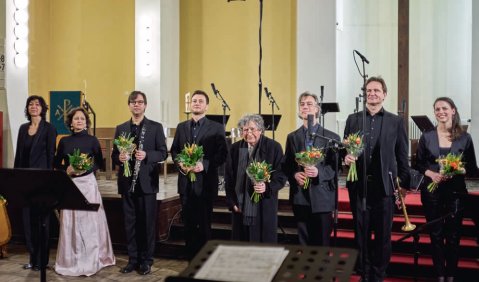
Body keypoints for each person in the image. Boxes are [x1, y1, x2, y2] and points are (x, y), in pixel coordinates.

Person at [343, 76, 410, 282]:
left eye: (376, 90)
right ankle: (364, 273)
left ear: (384, 94)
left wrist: (403, 187)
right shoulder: (353, 119)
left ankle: (378, 275)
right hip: (359, 187)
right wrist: (345, 158)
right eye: (368, 90)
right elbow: (344, 151)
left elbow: (402, 157)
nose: (372, 93)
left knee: (382, 238)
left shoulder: (395, 121)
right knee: (361, 236)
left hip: (384, 188)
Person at [415, 97, 478, 282]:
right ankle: (439, 276)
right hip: (431, 193)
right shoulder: (427, 136)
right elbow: (418, 165)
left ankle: (451, 275)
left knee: (453, 236)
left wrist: (457, 169)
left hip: (456, 193)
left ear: (453, 111)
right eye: (437, 109)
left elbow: (472, 169)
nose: (441, 112)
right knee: (435, 235)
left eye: (444, 108)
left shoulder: (465, 137)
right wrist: (432, 174)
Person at [53, 107, 115, 276]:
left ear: (86, 122)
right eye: (76, 119)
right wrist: (68, 169)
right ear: (71, 123)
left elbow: (99, 164)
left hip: (88, 184)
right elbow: (57, 163)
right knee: (70, 223)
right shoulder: (64, 141)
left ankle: (92, 258)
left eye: (82, 119)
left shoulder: (92, 140)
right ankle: (71, 259)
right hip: (71, 184)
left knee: (89, 223)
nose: (79, 121)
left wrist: (86, 169)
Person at [112, 91, 167, 275]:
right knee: (130, 224)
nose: (137, 105)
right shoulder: (121, 128)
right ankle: (132, 259)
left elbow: (163, 153)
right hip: (127, 183)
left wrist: (147, 155)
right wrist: (119, 157)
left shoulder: (155, 127)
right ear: (129, 105)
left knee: (147, 224)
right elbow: (113, 156)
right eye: (133, 102)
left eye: (140, 102)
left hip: (147, 183)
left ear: (145, 105)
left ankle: (146, 260)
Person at [170, 90, 227, 258]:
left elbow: (222, 154)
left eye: (200, 101)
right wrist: (180, 162)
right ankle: (190, 259)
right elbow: (174, 150)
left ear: (206, 106)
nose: (196, 103)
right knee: (188, 224)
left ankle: (204, 259)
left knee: (204, 224)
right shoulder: (181, 127)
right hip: (186, 183)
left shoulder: (216, 127)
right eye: (194, 100)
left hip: (206, 183)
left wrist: (205, 164)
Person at [283, 92, 340, 246]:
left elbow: (336, 168)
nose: (305, 107)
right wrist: (295, 175)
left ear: (317, 109)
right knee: (304, 242)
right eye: (302, 104)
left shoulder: (331, 137)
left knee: (321, 243)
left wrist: (318, 172)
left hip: (322, 198)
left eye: (309, 104)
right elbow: (287, 165)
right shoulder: (292, 137)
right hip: (300, 197)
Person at [225, 114, 286, 243]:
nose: (249, 133)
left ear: (260, 130)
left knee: (264, 245)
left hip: (264, 206)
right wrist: (232, 202)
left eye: (252, 129)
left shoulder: (274, 147)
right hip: (240, 206)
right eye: (245, 130)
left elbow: (280, 176)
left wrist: (266, 187)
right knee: (241, 246)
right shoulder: (235, 148)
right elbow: (229, 178)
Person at [14, 95, 57, 271]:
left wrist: (48, 181)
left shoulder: (49, 129)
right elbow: (19, 156)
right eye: (30, 104)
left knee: (42, 222)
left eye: (37, 104)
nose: (33, 107)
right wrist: (15, 179)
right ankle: (32, 257)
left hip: (42, 181)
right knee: (28, 221)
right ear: (27, 108)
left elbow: (50, 156)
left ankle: (42, 260)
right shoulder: (23, 129)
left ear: (43, 108)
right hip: (25, 181)